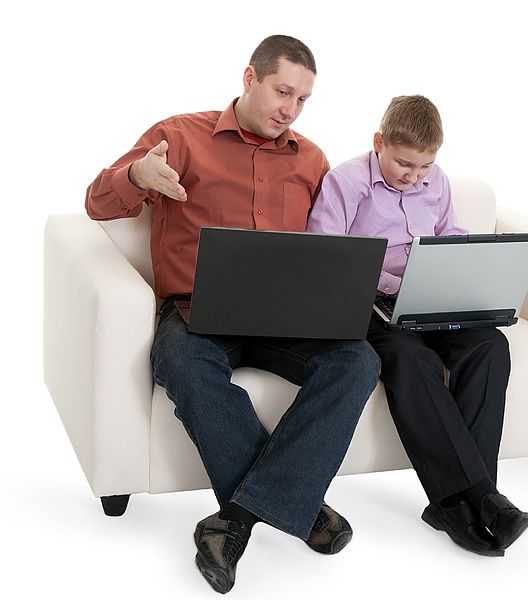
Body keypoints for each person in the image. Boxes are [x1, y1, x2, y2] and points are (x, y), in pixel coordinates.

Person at [85, 35, 381, 594]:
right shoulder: (178, 136)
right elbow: (97, 201)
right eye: (282, 91)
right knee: (177, 359)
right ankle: (300, 504)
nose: (290, 109)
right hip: (199, 313)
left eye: (302, 99)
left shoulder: (312, 159)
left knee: (357, 361)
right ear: (250, 79)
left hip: (286, 318)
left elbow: (331, 245)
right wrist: (137, 178)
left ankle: (234, 521)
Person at [306, 95, 528, 557]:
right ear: (379, 143)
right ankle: (476, 500)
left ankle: (460, 503)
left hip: (435, 298)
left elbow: (447, 232)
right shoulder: (345, 183)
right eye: (404, 164)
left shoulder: (438, 182)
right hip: (373, 306)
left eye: (425, 167)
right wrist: (395, 281)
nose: (414, 176)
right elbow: (326, 257)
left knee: (490, 345)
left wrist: (465, 262)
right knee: (411, 359)